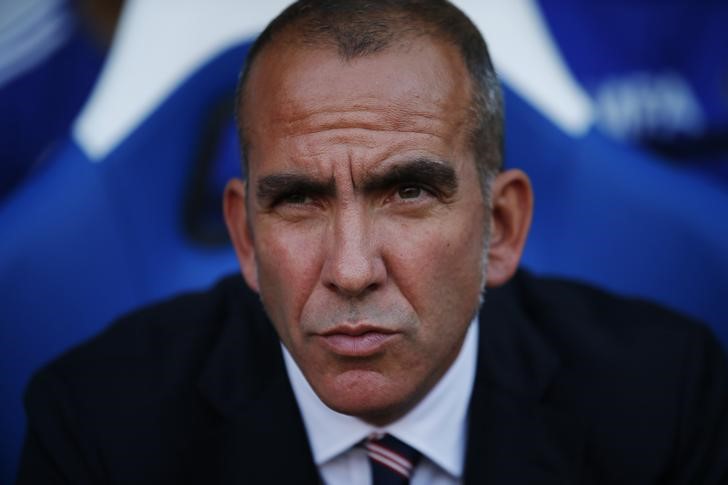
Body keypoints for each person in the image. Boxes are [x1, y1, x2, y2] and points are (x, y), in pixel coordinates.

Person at [17, 1, 728, 483]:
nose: (351, 269)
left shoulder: (664, 401)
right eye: (298, 199)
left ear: (502, 226)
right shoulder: (98, 428)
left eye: (408, 192)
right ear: (244, 235)